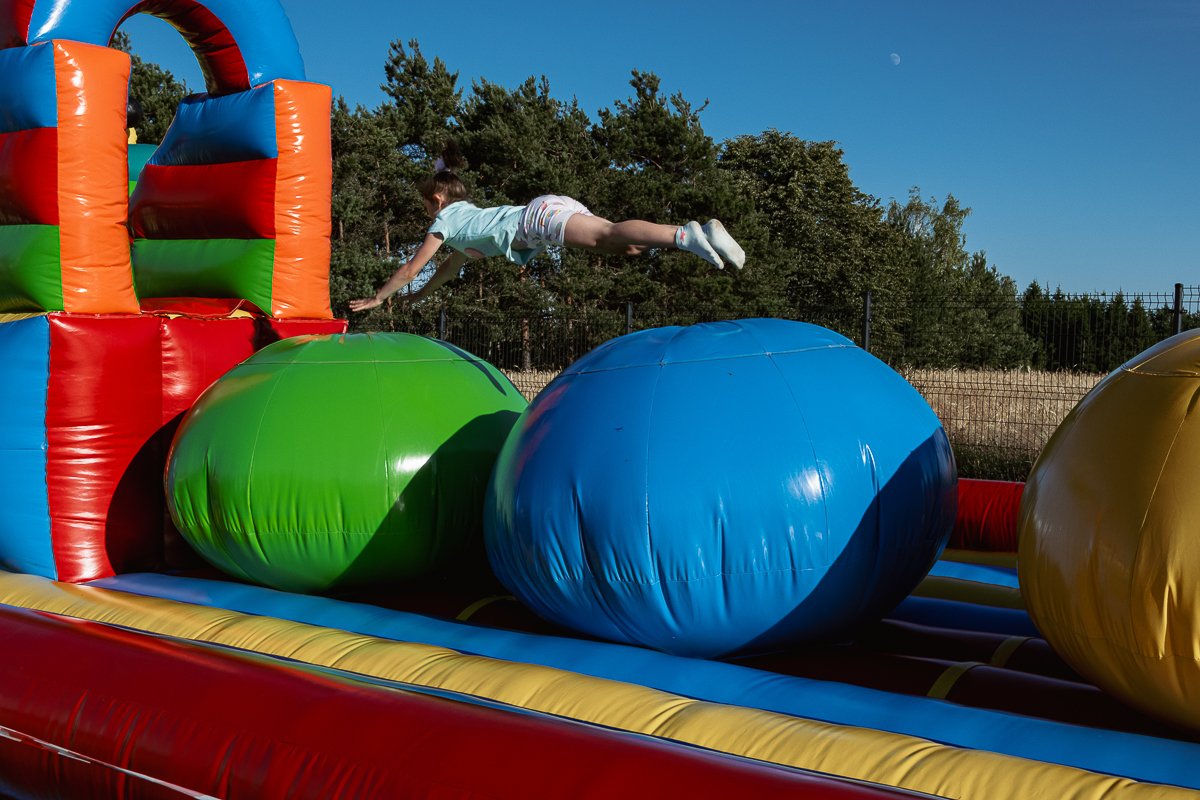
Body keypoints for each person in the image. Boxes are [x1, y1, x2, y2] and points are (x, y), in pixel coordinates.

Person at [348, 153, 745, 312]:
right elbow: (443, 272)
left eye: (424, 205)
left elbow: (413, 267)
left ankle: (687, 233)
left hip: (535, 219)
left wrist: (380, 296)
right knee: (627, 248)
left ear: (435, 200)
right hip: (547, 211)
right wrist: (418, 297)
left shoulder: (444, 223)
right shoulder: (464, 230)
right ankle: (695, 237)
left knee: (606, 234)